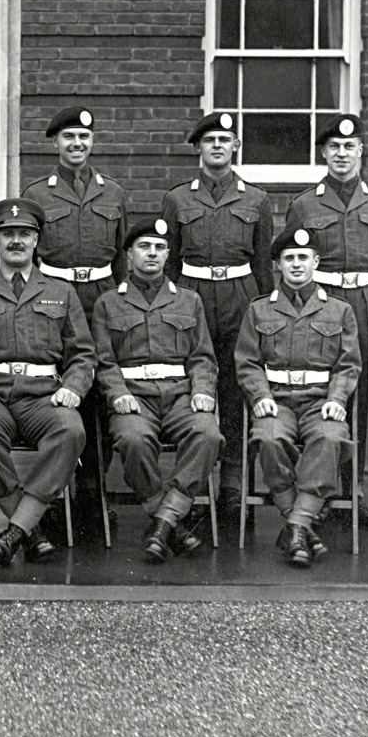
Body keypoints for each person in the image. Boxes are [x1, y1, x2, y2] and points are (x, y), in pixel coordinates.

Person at [0, 198, 97, 566]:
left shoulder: (61, 292)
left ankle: (16, 531)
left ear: (36, 241)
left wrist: (73, 387)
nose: (16, 241)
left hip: (43, 395)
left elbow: (83, 353)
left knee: (70, 432)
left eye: (24, 234)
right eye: (8, 234)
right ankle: (30, 528)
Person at [285, 114, 368, 531]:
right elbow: (290, 264)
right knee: (321, 391)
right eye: (333, 147)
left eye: (349, 147)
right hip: (323, 304)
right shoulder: (304, 205)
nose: (342, 154)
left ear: (361, 152)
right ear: (323, 153)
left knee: (364, 397)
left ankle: (355, 490)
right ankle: (319, 488)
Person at [160, 111, 272, 528]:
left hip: (240, 298)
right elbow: (168, 264)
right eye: (210, 141)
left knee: (236, 386)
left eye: (226, 140)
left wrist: (263, 317)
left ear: (236, 147)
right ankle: (193, 485)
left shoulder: (256, 199)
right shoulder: (177, 199)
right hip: (192, 296)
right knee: (194, 384)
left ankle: (232, 483)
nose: (218, 146)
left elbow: (263, 268)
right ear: (198, 149)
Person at [91, 218, 223, 562]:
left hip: (180, 394)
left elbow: (202, 357)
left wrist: (202, 389)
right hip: (133, 397)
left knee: (207, 434)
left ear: (168, 255)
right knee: (133, 440)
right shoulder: (108, 303)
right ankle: (171, 521)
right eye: (144, 247)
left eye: (160, 248)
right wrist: (117, 393)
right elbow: (103, 360)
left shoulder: (189, 300)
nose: (152, 254)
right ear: (129, 254)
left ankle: (163, 521)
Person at [21, 106, 128, 526]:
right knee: (56, 392)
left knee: (98, 391)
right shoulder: (37, 193)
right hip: (53, 299)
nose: (77, 144)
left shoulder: (113, 192)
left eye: (84, 137)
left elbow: (120, 257)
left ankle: (91, 492)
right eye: (68, 138)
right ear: (55, 143)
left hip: (100, 297)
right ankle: (52, 496)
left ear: (93, 142)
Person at [234, 226, 361, 567]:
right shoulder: (260, 310)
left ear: (316, 261)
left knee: (330, 436)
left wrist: (337, 398)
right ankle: (301, 526)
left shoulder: (339, 310)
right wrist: (259, 394)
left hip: (321, 400)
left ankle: (295, 526)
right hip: (277, 399)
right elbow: (246, 362)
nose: (296, 264)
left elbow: (349, 364)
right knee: (268, 437)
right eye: (288, 258)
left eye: (303, 257)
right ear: (277, 264)